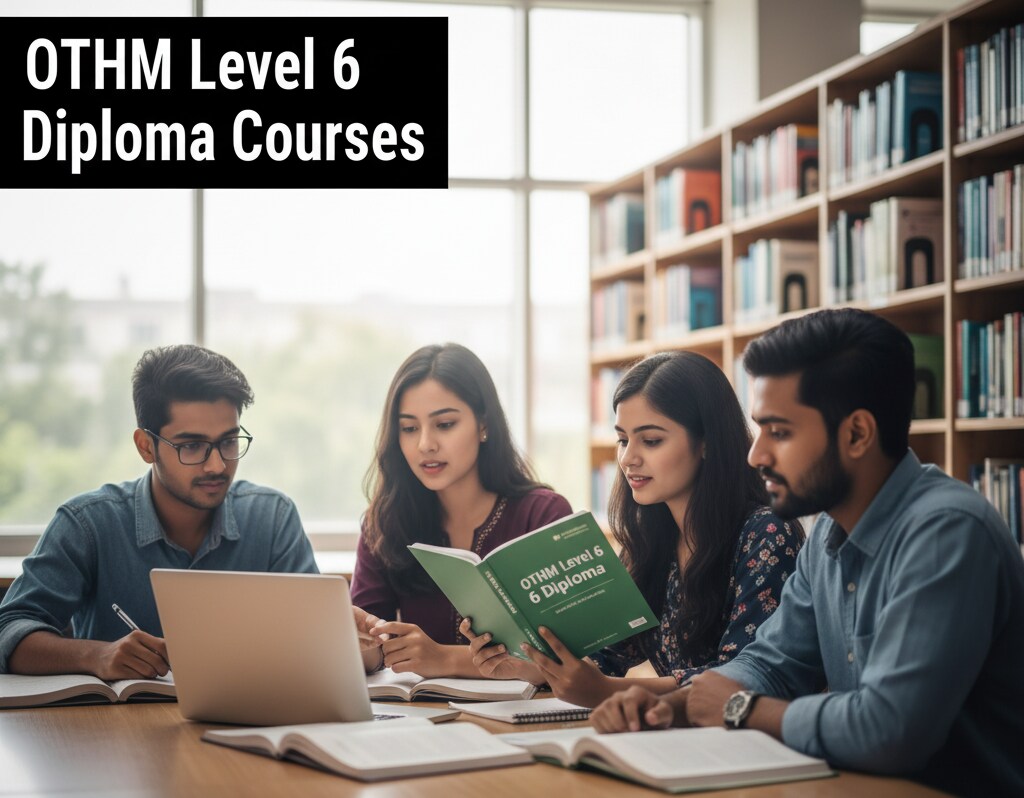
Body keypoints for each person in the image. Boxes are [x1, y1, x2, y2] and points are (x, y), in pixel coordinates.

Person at [590, 309, 1024, 797]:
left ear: (857, 434)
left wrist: (740, 710)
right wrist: (672, 708)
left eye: (780, 432)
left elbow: (889, 729)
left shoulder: (947, 534)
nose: (756, 455)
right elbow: (770, 664)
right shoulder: (827, 536)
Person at [462, 351, 802, 707]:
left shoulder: (766, 534)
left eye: (651, 441)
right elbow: (609, 656)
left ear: (706, 442)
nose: (627, 458)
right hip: (681, 740)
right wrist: (524, 666)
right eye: (623, 439)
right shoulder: (653, 539)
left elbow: (743, 677)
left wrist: (610, 691)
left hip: (749, 745)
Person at [0, 345, 318, 679]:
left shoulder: (273, 518)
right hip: (114, 728)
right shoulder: (88, 523)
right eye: (191, 446)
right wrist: (98, 655)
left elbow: (319, 641)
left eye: (228, 441)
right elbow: (8, 630)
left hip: (248, 721)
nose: (217, 465)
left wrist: (364, 644)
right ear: (146, 447)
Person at [350, 343, 571, 677]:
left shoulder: (542, 516)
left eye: (445, 424)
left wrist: (444, 658)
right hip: (420, 719)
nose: (425, 444)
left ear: (484, 424)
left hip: (528, 722)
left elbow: (571, 662)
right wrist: (363, 643)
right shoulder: (384, 522)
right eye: (409, 428)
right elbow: (367, 660)